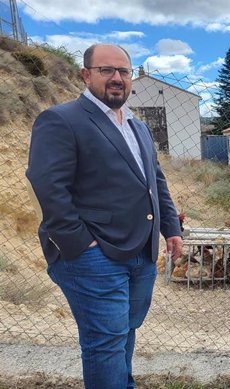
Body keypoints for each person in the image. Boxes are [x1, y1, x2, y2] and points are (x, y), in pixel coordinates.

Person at [26, 44, 183, 389]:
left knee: (125, 331)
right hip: (94, 257)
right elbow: (47, 187)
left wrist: (171, 228)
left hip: (141, 252)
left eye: (124, 72)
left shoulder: (138, 127)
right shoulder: (61, 120)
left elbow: (154, 181)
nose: (117, 78)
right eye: (106, 70)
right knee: (105, 343)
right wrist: (83, 246)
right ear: (86, 75)